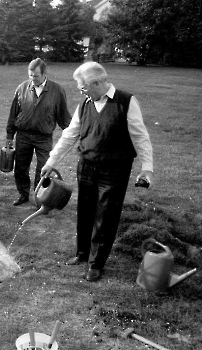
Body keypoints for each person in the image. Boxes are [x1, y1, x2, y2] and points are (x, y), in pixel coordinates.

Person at [41, 62, 154, 282]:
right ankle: (82, 253)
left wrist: (147, 168)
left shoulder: (126, 101)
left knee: (105, 216)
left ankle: (96, 263)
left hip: (114, 170)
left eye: (83, 87)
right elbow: (70, 134)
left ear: (97, 82)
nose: (80, 91)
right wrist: (51, 161)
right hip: (87, 166)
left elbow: (140, 137)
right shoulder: (85, 103)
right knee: (85, 211)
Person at [6, 58, 71, 206]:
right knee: (21, 167)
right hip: (23, 135)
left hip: (44, 137)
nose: (32, 79)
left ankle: (39, 198)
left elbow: (63, 115)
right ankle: (23, 194)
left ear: (44, 74)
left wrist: (71, 132)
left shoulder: (57, 91)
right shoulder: (22, 88)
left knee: (43, 169)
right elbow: (13, 113)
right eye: (30, 75)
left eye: (35, 76)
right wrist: (10, 134)